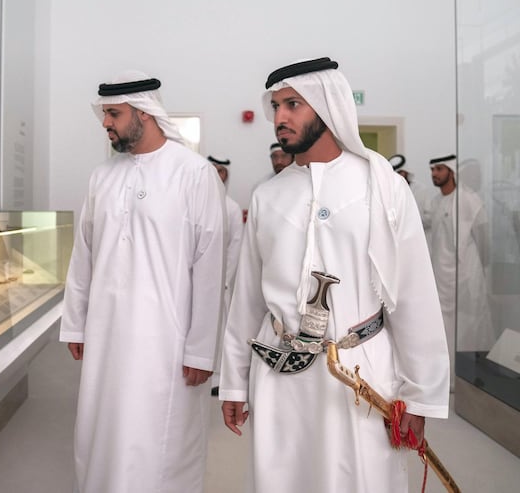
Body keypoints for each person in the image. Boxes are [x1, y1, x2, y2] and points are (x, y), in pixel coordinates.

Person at [219, 57, 450, 492]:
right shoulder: (268, 196)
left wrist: (420, 396)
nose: (280, 118)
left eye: (293, 104)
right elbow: (246, 298)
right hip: (278, 372)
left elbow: (414, 294)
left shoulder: (380, 186)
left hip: (359, 376)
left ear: (327, 107)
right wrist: (233, 383)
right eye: (276, 107)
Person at [60, 70, 226, 493]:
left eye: (113, 114)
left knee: (161, 442)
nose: (106, 124)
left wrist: (201, 349)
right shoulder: (103, 177)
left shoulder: (193, 173)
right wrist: (76, 322)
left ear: (144, 113)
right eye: (104, 114)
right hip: (106, 333)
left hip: (166, 341)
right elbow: (85, 255)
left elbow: (209, 269)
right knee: (103, 429)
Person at [428, 154, 495, 382]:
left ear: (451, 171)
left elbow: (484, 240)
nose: (434, 174)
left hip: (466, 276)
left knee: (468, 327)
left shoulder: (469, 199)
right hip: (441, 278)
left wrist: (482, 271)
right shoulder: (436, 202)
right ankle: (446, 378)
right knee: (443, 329)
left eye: (439, 169)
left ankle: (469, 379)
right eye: (433, 170)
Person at [207, 155, 245, 395]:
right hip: (195, 283)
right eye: (214, 171)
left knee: (220, 330)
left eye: (222, 172)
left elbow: (235, 247)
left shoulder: (230, 207)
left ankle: (218, 378)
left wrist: (223, 280)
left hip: (221, 284)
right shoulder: (196, 203)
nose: (218, 176)